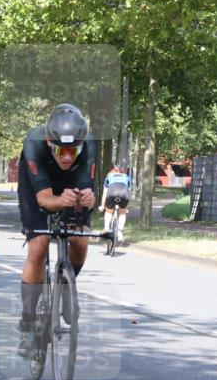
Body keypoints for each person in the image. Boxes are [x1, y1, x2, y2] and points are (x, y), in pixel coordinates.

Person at [16, 103, 98, 357]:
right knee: (39, 247)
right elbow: (43, 199)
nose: (66, 157)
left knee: (80, 240)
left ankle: (66, 288)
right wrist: (58, 201)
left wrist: (88, 200)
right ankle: (28, 324)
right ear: (51, 143)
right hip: (37, 187)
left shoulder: (90, 144)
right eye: (61, 150)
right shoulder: (35, 142)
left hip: (70, 184)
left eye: (72, 151)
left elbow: (87, 191)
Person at [99, 164, 132, 243]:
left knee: (108, 211)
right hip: (124, 194)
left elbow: (104, 194)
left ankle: (106, 228)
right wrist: (125, 208)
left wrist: (102, 206)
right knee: (122, 212)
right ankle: (120, 233)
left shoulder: (109, 176)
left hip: (112, 192)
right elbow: (128, 192)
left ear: (112, 170)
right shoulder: (127, 177)